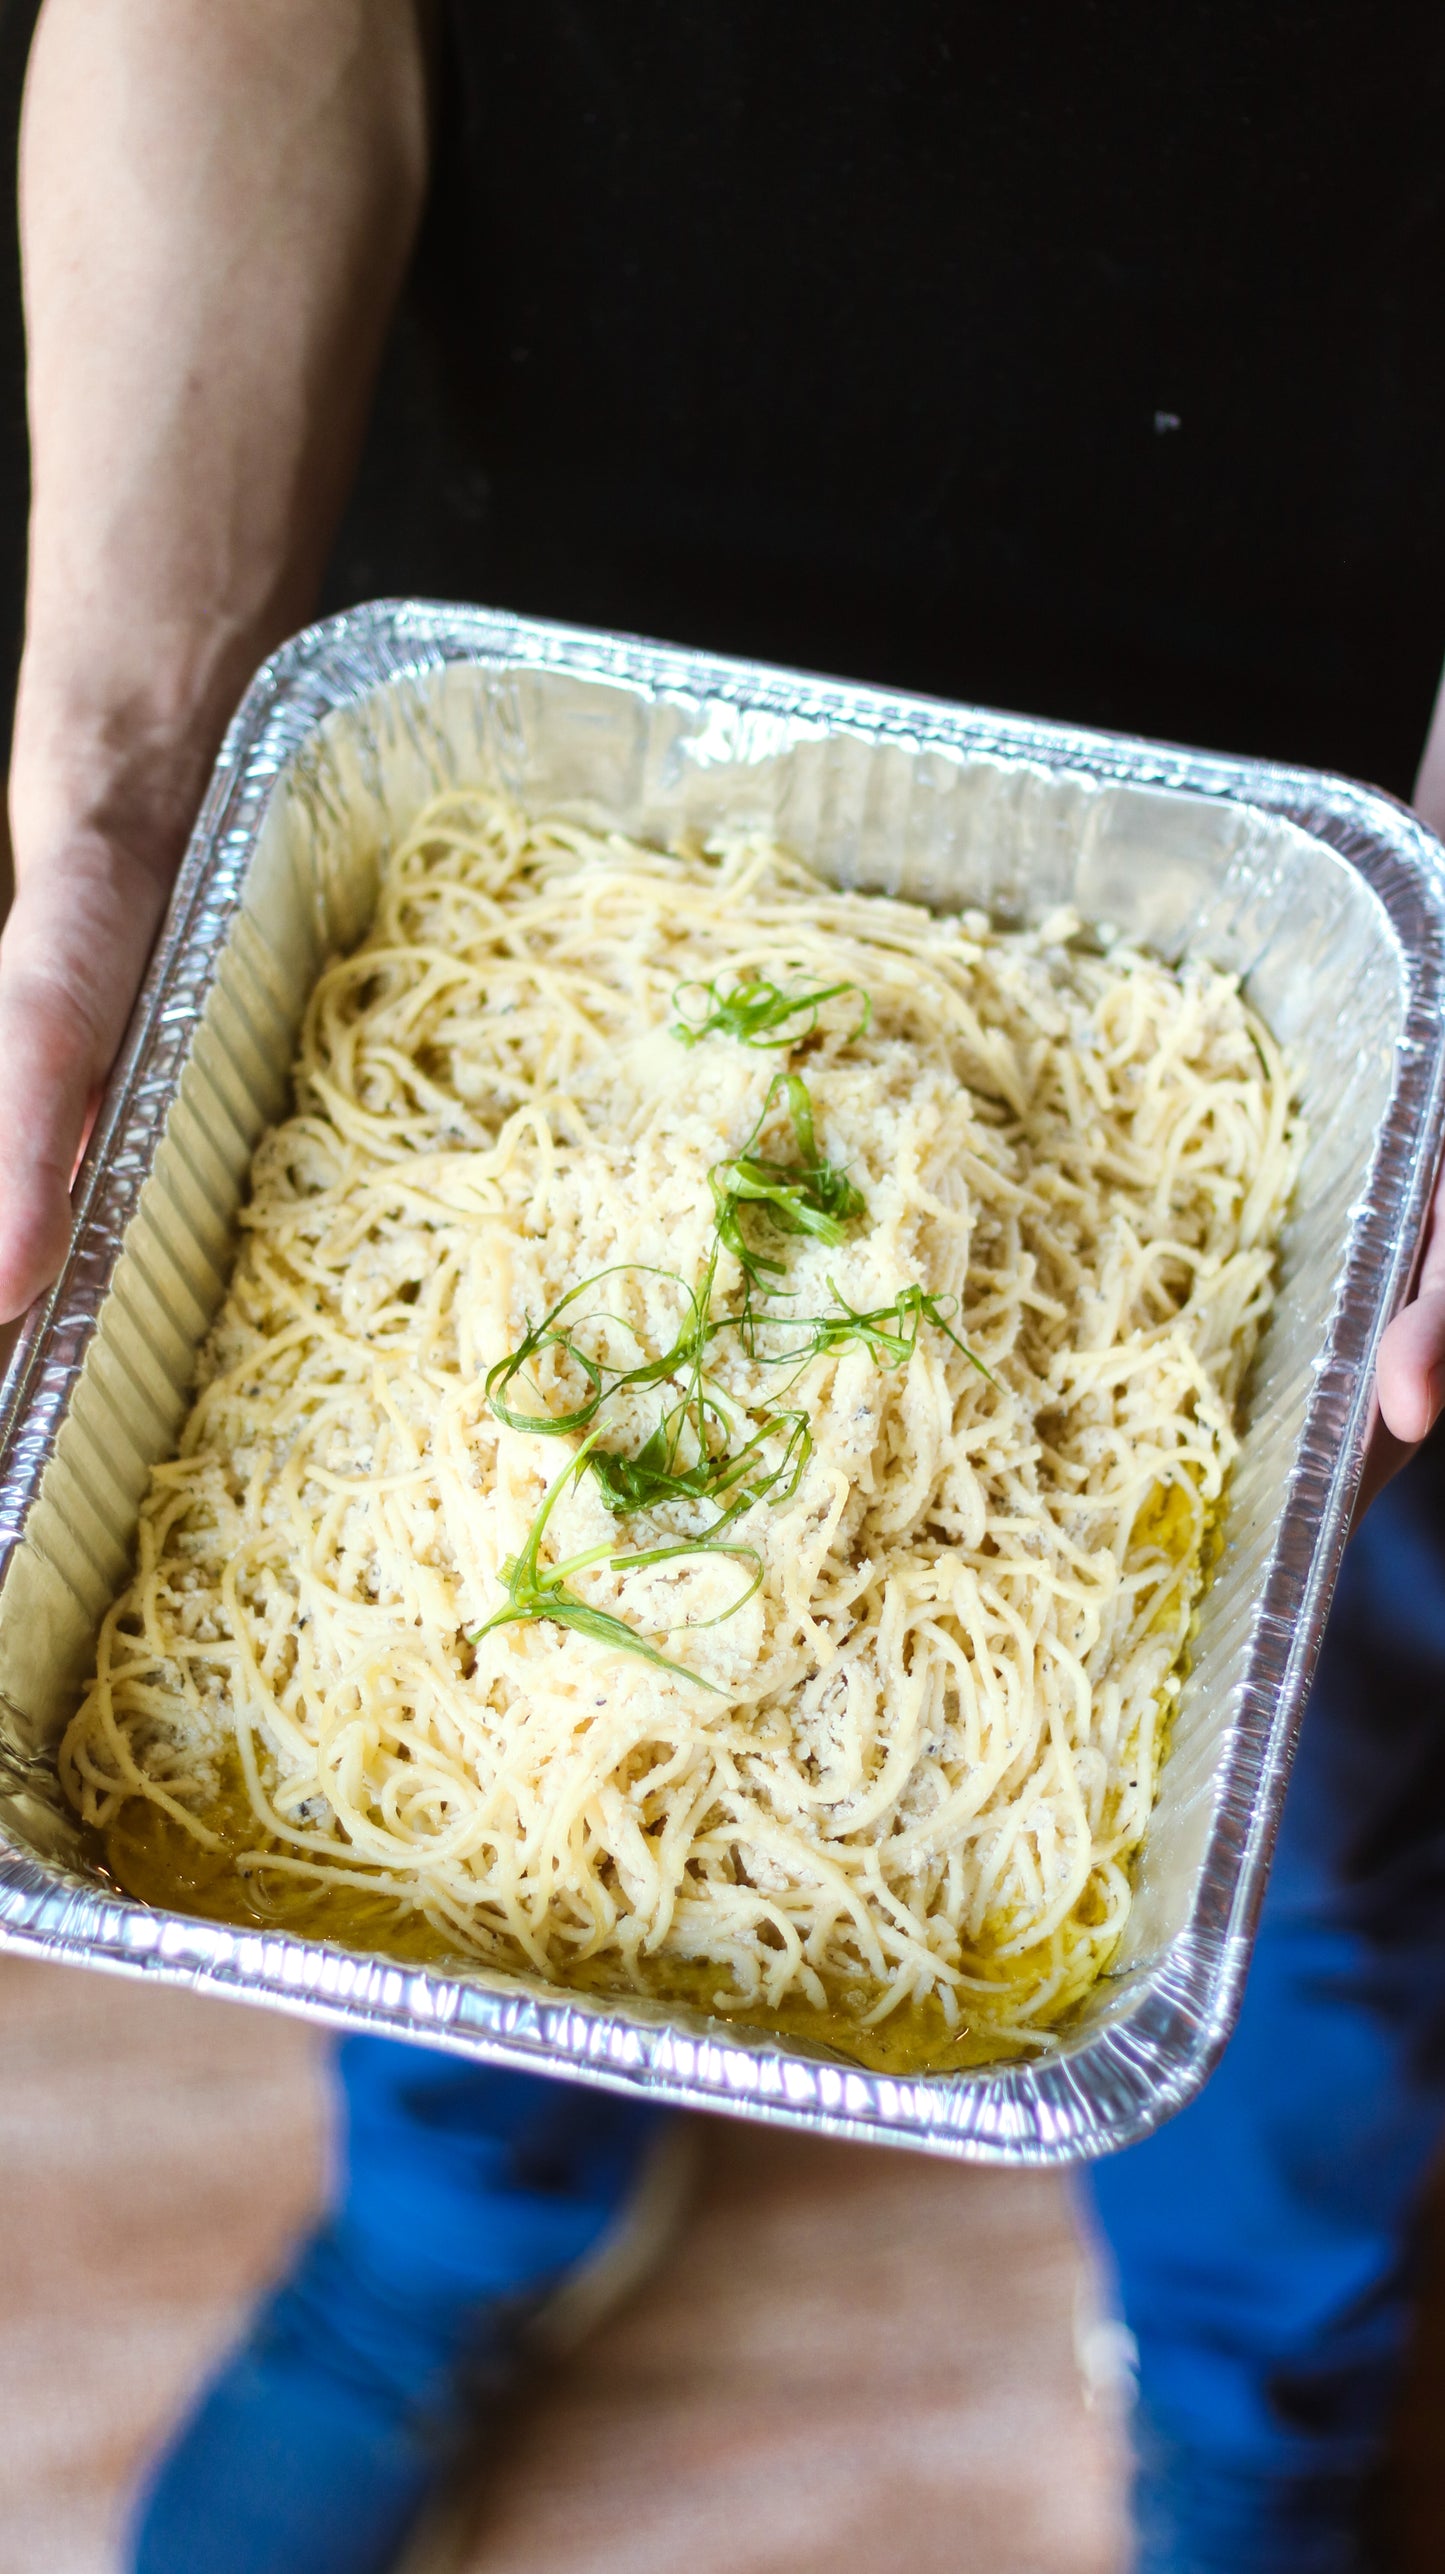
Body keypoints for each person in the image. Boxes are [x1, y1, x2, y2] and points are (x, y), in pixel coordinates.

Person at [9, 5, 1445, 2570]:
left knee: (1303, 1869)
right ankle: (456, 2238)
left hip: (1326, 817)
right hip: (539, 667)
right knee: (419, 1748)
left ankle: (1270, 2405)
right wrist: (121, 783)